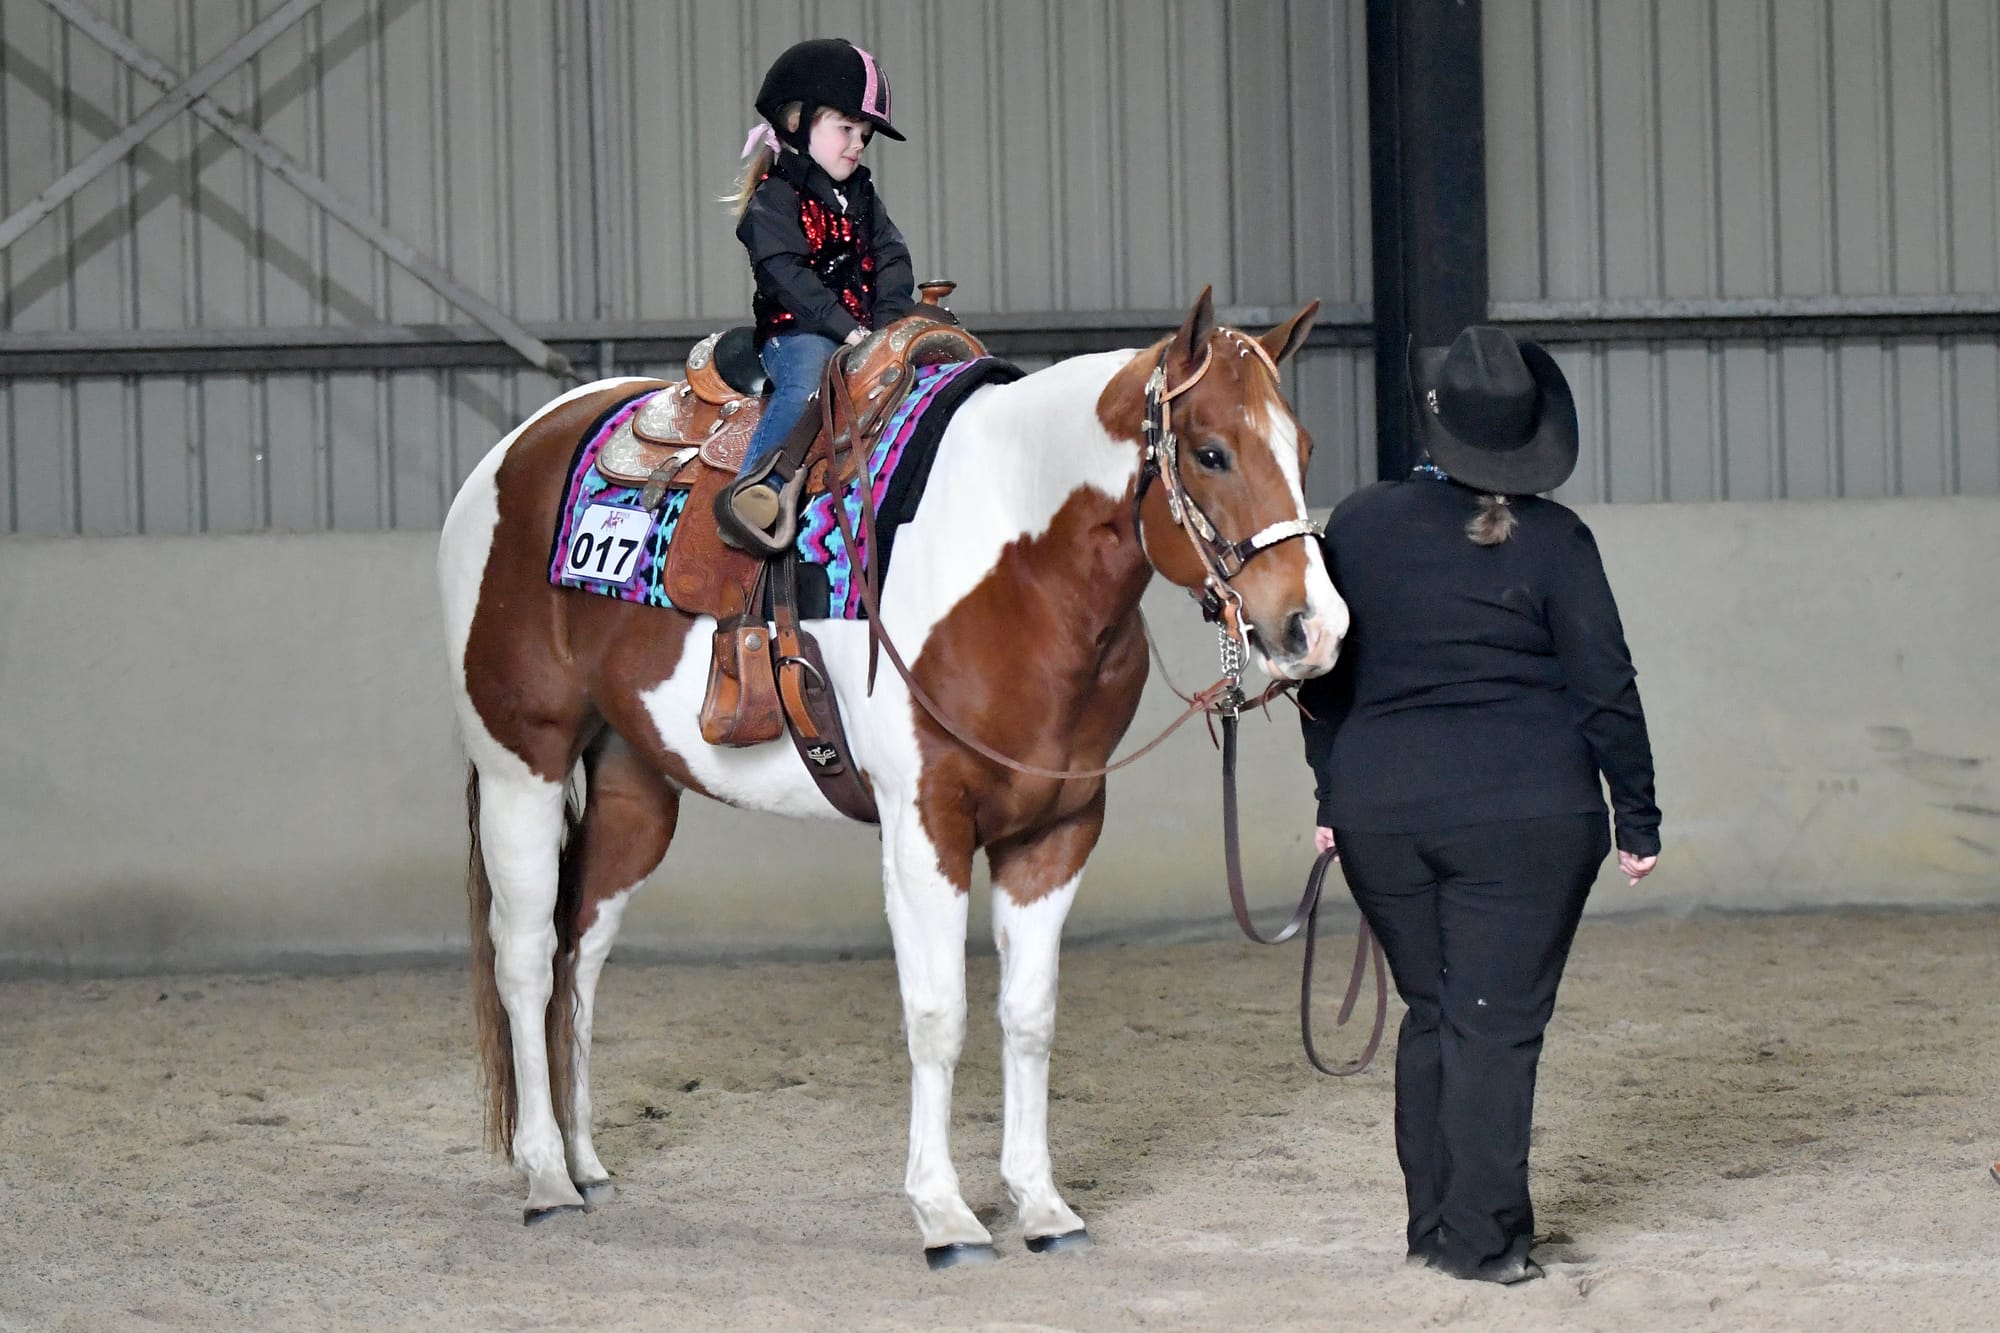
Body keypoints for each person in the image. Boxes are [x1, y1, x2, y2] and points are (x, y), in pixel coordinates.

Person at [1298, 325, 1662, 1285]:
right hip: (1528, 814)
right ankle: (1486, 1240)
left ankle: (1435, 1227)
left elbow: (1321, 675)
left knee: (1437, 1012)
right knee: (1495, 1024)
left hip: (1384, 812)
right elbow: (1606, 685)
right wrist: (1639, 815)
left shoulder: (1361, 524)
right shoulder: (1556, 539)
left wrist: (1333, 791)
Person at [720, 37, 917, 552]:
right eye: (846, 129)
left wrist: (891, 328)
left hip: (861, 331)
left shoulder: (862, 197)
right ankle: (758, 489)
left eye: (865, 134)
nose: (857, 144)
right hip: (798, 333)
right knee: (810, 381)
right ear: (796, 123)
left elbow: (893, 257)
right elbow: (789, 276)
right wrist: (846, 328)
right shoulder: (774, 199)